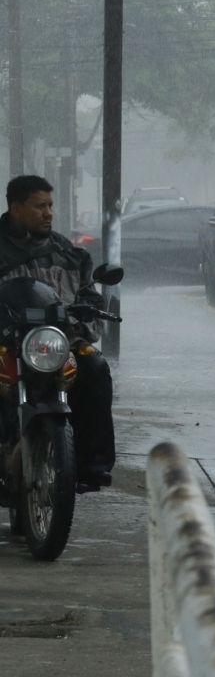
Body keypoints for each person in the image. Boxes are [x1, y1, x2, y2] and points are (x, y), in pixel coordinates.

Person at [0, 175, 114, 489]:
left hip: (56, 344)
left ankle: (92, 466)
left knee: (94, 367)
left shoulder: (68, 253)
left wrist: (83, 320)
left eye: (50, 205)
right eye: (40, 206)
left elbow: (90, 298)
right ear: (16, 208)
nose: (48, 213)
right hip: (7, 344)